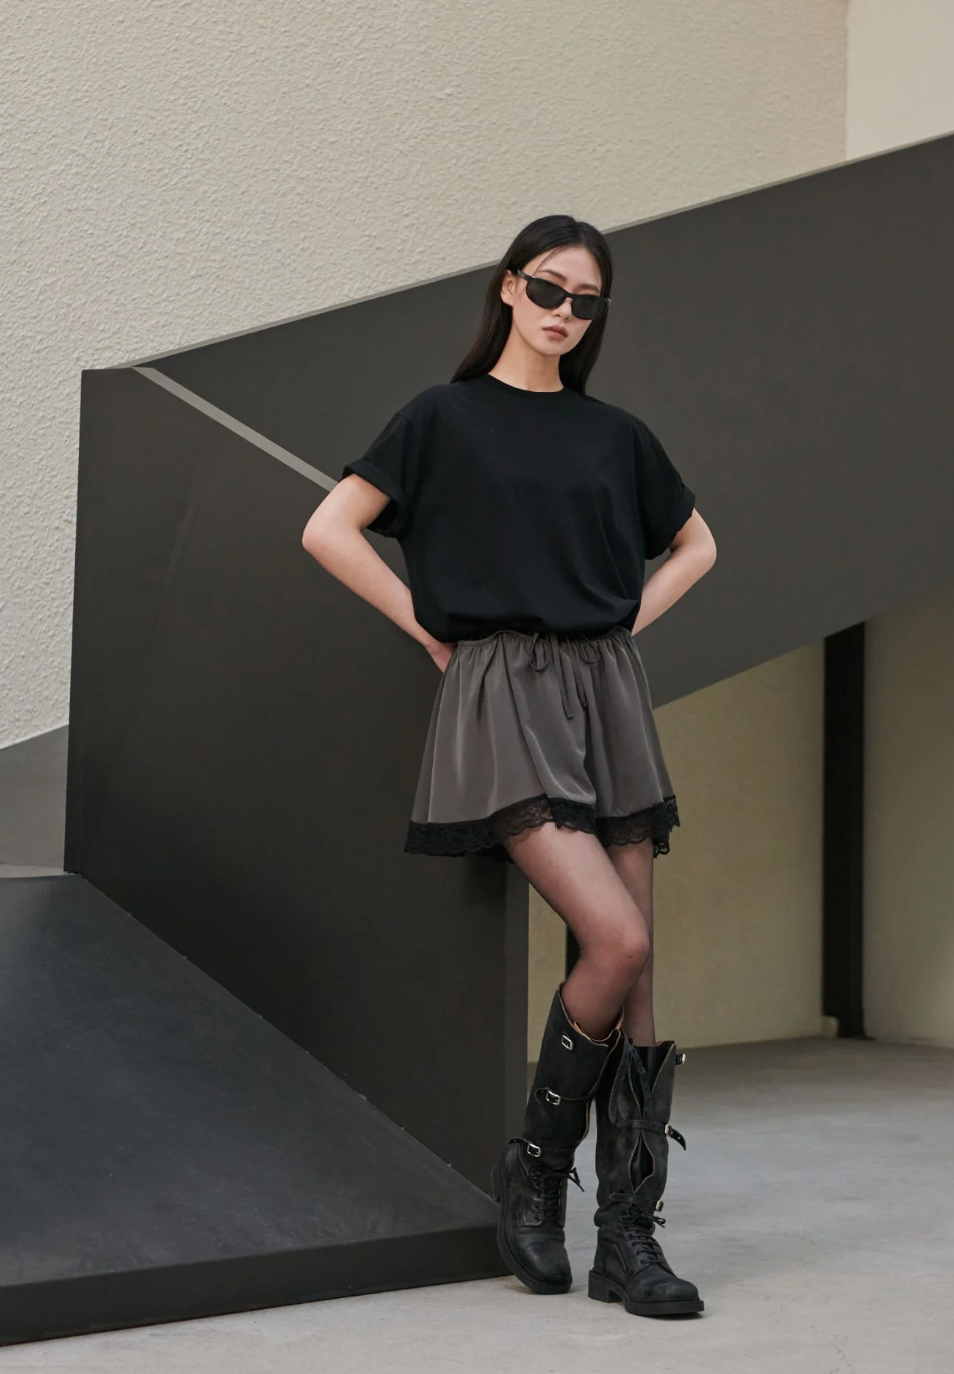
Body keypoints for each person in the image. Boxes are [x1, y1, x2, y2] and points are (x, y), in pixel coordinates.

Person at [302, 214, 717, 1318]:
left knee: (638, 977)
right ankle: (533, 1171)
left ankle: (628, 1238)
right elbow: (329, 528)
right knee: (616, 938)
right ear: (507, 287)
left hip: (604, 695)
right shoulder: (441, 418)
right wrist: (429, 629)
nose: (563, 312)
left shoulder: (614, 435)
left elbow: (699, 544)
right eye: (547, 288)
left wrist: (621, 627)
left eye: (585, 300)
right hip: (502, 695)